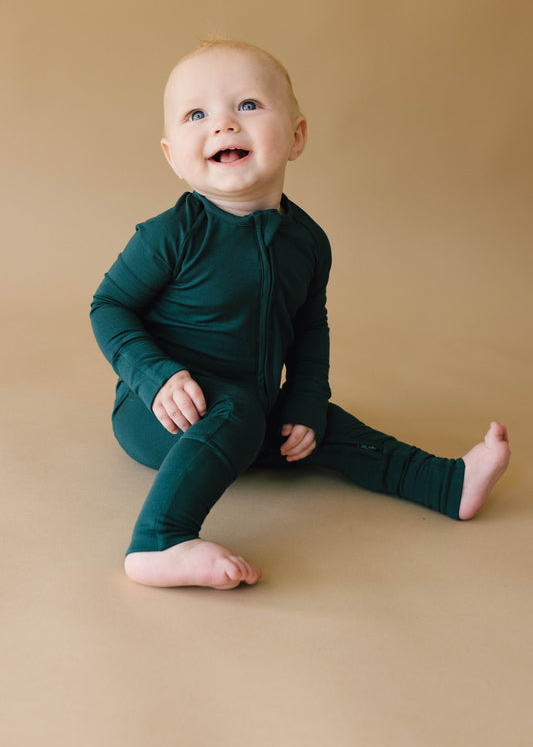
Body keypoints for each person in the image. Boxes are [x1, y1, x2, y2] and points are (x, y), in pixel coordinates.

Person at [90, 38, 511, 590]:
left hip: (251, 408)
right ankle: (159, 541)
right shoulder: (170, 236)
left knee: (325, 426)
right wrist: (154, 376)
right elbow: (110, 306)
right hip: (162, 412)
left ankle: (446, 484)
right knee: (237, 411)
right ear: (173, 156)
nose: (223, 126)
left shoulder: (308, 242)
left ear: (297, 137)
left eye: (247, 106)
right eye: (198, 114)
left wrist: (308, 400)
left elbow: (310, 328)